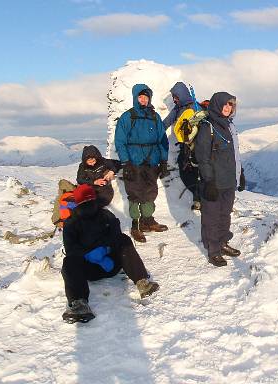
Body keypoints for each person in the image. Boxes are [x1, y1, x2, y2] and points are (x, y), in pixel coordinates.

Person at [61, 184, 159, 323]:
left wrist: (104, 250)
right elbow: (71, 249)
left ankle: (142, 282)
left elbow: (116, 236)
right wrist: (90, 254)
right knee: (70, 261)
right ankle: (78, 303)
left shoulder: (105, 215)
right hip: (88, 269)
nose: (88, 205)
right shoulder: (72, 222)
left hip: (111, 263)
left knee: (124, 240)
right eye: (85, 202)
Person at [195, 92, 246, 267]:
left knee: (225, 214)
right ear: (217, 105)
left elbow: (234, 154)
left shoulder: (230, 126)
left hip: (229, 180)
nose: (228, 107)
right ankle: (213, 250)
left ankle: (223, 242)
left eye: (231, 105)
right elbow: (203, 157)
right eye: (225, 104)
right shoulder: (207, 126)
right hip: (214, 182)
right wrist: (208, 181)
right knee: (211, 217)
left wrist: (240, 174)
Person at [114, 84, 169, 243]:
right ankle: (136, 225)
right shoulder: (127, 117)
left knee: (150, 191)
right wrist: (126, 163)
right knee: (135, 193)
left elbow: (162, 140)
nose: (143, 100)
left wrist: (163, 161)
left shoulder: (154, 116)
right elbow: (120, 141)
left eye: (146, 97)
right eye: (141, 97)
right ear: (135, 98)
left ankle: (148, 220)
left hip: (152, 161)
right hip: (134, 161)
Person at [162, 81, 201, 210]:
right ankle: (198, 196)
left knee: (200, 173)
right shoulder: (177, 109)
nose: (174, 99)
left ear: (182, 95)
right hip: (185, 147)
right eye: (173, 97)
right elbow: (166, 122)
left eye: (176, 97)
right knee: (186, 173)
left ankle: (200, 200)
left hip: (198, 146)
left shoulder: (196, 107)